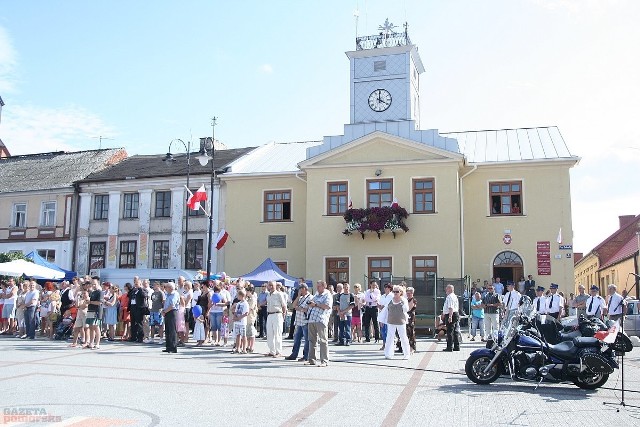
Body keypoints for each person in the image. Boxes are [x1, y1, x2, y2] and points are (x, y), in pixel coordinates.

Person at [306, 280, 332, 367]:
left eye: (319, 286)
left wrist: (316, 304)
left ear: (324, 286)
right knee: (312, 340)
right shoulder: (316, 294)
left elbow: (327, 306)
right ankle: (311, 359)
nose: (317, 288)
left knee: (323, 340)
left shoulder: (327, 295)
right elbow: (311, 303)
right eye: (317, 286)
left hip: (321, 319)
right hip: (312, 319)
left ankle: (324, 360)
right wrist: (310, 304)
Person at [286, 282, 311, 361]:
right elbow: (293, 305)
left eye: (300, 289)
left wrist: (299, 308)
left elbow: (307, 309)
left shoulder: (310, 297)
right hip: (299, 321)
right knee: (296, 339)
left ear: (304, 289)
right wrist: (298, 296)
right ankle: (294, 354)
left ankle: (306, 356)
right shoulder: (300, 297)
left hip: (305, 321)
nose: (299, 291)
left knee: (307, 340)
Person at [384, 285, 410, 359]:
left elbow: (406, 309)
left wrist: (403, 304)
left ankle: (406, 354)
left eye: (397, 291)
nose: (395, 293)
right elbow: (385, 310)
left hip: (401, 321)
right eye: (394, 291)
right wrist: (383, 320)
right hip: (391, 321)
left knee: (403, 337)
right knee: (390, 337)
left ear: (401, 292)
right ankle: (388, 353)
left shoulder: (403, 300)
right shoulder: (390, 299)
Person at [265, 281, 287, 357]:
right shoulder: (268, 295)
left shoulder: (279, 294)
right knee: (270, 334)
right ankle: (272, 351)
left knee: (277, 333)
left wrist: (283, 315)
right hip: (270, 315)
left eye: (272, 285)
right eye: (269, 285)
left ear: (275, 286)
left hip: (277, 314)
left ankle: (278, 351)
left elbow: (284, 306)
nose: (270, 287)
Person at [85, 278, 103, 349]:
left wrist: (90, 302)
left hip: (96, 311)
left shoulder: (100, 292)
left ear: (98, 284)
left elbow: (99, 302)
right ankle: (91, 342)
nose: (93, 285)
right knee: (90, 327)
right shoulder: (92, 292)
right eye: (92, 284)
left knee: (96, 327)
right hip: (90, 310)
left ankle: (97, 343)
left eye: (95, 284)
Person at [161, 282, 180, 354]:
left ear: (171, 288)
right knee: (168, 330)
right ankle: (168, 347)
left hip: (172, 312)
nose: (166, 288)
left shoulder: (175, 294)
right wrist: (163, 311)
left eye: (167, 287)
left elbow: (172, 305)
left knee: (172, 330)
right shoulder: (167, 294)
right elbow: (166, 304)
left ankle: (173, 347)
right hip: (167, 312)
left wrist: (165, 311)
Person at [442, 284, 460, 352]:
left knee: (450, 331)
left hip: (451, 314)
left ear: (450, 289)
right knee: (455, 331)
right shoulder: (454, 296)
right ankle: (456, 346)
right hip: (455, 314)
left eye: (446, 289)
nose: (445, 290)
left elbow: (451, 307)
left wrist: (450, 316)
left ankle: (449, 347)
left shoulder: (449, 297)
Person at [231, 289, 249, 354]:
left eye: (238, 295)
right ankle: (238, 348)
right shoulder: (238, 303)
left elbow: (246, 313)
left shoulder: (245, 303)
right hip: (237, 322)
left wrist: (239, 318)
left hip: (242, 322)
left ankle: (244, 349)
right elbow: (235, 311)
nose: (237, 297)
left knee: (243, 336)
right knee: (237, 335)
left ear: (241, 296)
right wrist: (234, 317)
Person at [378, 283, 393, 351]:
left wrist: (384, 306)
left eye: (387, 287)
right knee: (383, 331)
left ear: (390, 288)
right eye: (385, 287)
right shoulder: (382, 296)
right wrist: (379, 306)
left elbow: (391, 305)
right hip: (382, 315)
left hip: (389, 315)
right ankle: (384, 344)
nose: (385, 289)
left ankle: (389, 345)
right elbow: (380, 304)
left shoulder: (392, 296)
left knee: (388, 331)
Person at [244, 283, 258, 353]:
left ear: (250, 291)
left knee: (251, 332)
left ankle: (251, 346)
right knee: (247, 333)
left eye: (247, 291)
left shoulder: (252, 298)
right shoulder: (247, 298)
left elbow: (250, 308)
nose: (246, 292)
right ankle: (248, 346)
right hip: (246, 317)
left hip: (251, 317)